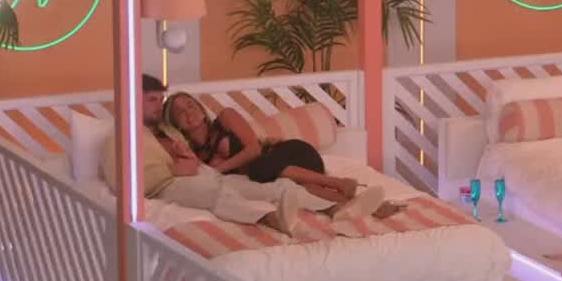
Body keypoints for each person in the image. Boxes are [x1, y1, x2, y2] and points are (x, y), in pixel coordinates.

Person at [99, 75, 381, 237]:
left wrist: (189, 162)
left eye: (161, 100)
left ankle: (334, 208)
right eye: (152, 100)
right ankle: (271, 218)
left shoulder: (171, 132)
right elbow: (122, 181)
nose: (159, 107)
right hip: (171, 185)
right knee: (216, 193)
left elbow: (199, 163)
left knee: (275, 186)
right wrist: (175, 170)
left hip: (254, 163)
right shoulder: (121, 137)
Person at [164, 91, 381, 209]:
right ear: (176, 124)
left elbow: (254, 150)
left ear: (200, 108)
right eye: (180, 112)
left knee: (259, 166)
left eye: (190, 104)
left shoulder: (226, 117)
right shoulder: (195, 154)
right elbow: (175, 172)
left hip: (293, 153)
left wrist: (219, 170)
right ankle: (367, 205)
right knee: (301, 190)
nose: (188, 112)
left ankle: (339, 183)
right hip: (276, 174)